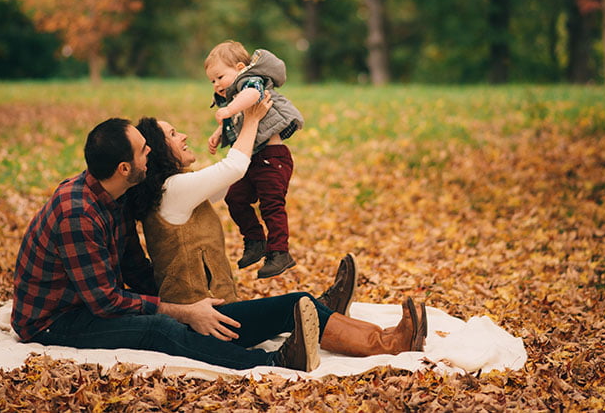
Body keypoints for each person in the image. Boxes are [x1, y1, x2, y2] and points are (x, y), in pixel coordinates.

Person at [11, 108, 426, 373]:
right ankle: (271, 360)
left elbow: (135, 269)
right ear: (124, 167)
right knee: (157, 328)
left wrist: (191, 306)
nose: (150, 155)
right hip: (56, 322)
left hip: (94, 302)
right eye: (143, 151)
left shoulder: (113, 198)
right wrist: (182, 311)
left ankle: (388, 340)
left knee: (274, 306)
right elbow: (104, 302)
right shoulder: (77, 212)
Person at [131, 103, 428, 362]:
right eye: (172, 134)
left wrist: (244, 130)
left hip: (218, 315)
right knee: (295, 304)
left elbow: (232, 175)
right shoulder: (173, 191)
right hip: (204, 324)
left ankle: (386, 336)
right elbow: (233, 168)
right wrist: (252, 119)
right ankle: (388, 344)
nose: (182, 136)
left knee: (300, 307)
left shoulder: (177, 189)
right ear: (159, 152)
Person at [205, 40, 304, 278]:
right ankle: (255, 240)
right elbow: (238, 120)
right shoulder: (233, 96)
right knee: (235, 197)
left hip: (272, 158)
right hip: (252, 160)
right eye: (212, 81)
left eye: (220, 77)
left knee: (271, 205)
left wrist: (229, 110)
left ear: (240, 67)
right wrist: (219, 133)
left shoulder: (250, 82)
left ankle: (279, 252)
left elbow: (251, 96)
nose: (217, 84)